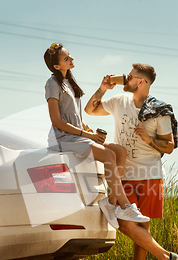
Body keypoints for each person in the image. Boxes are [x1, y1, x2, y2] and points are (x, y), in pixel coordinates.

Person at [84, 63, 178, 260]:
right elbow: (90, 110)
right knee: (125, 223)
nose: (127, 79)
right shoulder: (119, 101)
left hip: (150, 174)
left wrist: (149, 139)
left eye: (132, 77)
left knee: (141, 227)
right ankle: (165, 257)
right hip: (123, 175)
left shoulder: (159, 110)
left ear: (142, 82)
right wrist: (103, 88)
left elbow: (169, 146)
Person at [43, 43, 150, 224]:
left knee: (120, 151)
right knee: (108, 155)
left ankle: (110, 202)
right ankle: (125, 207)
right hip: (63, 137)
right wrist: (87, 136)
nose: (71, 59)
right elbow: (57, 120)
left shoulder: (69, 81)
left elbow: (75, 114)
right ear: (56, 66)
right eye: (66, 58)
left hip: (78, 135)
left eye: (70, 56)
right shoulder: (52, 84)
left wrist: (89, 130)